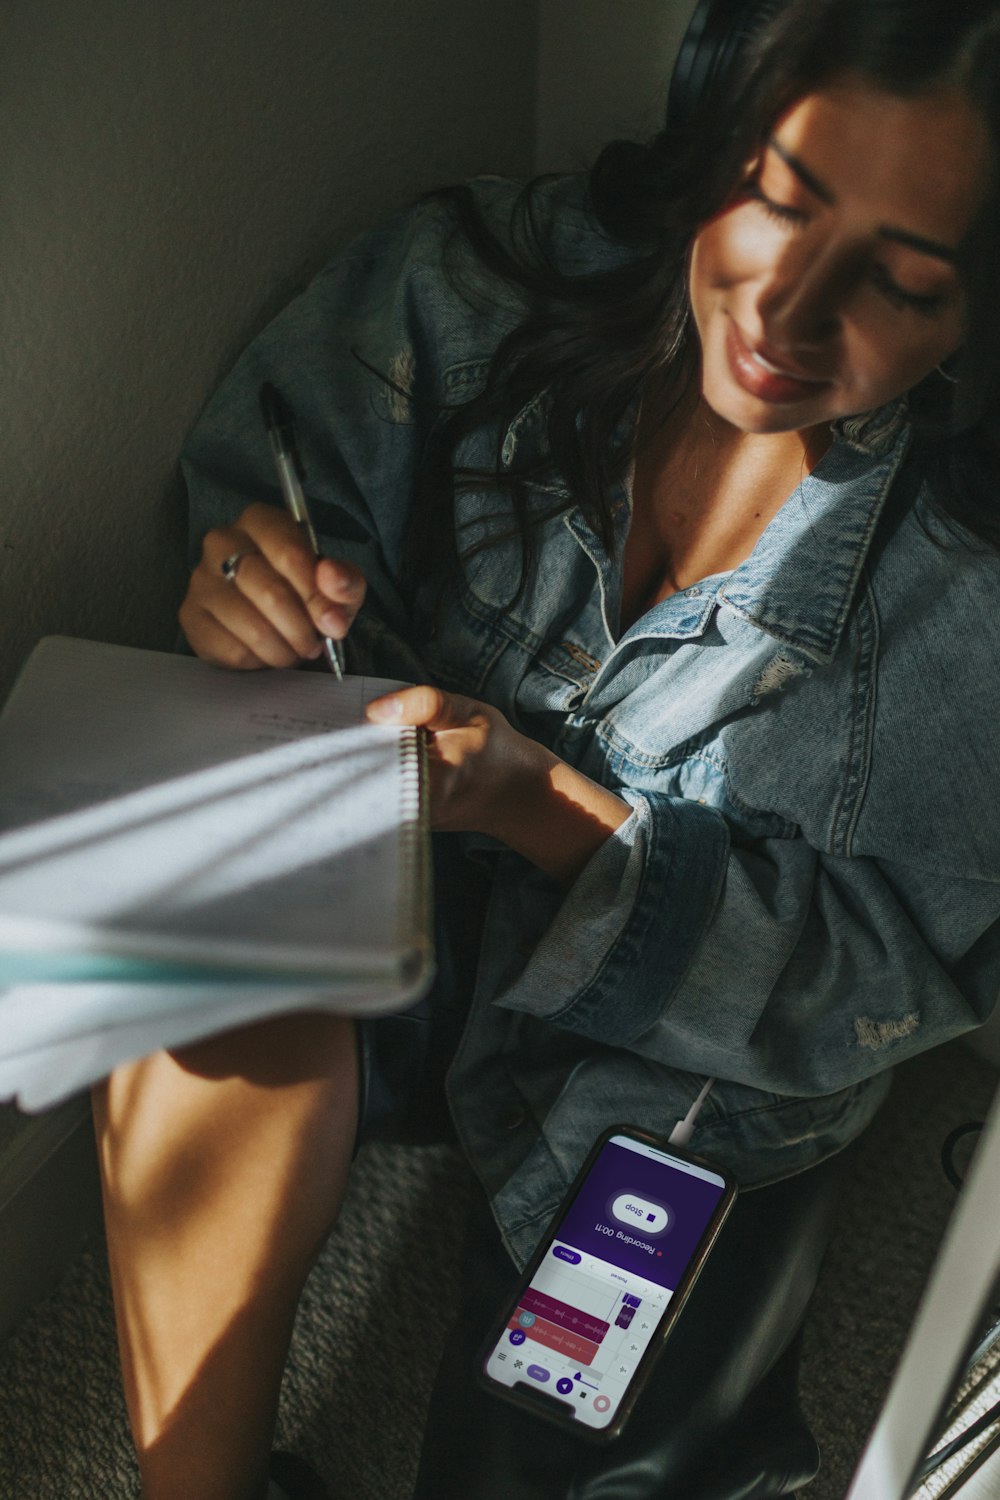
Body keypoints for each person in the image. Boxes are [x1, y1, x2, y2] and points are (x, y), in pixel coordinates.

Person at [91, 1, 1000, 1496]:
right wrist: (247, 588)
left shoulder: (963, 601)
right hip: (406, 913)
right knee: (197, 930)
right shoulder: (470, 292)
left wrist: (549, 811)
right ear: (716, 139)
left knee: (560, 1449)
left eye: (900, 284)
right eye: (776, 198)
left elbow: (871, 993)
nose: (787, 308)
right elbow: (276, 489)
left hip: (699, 1065)